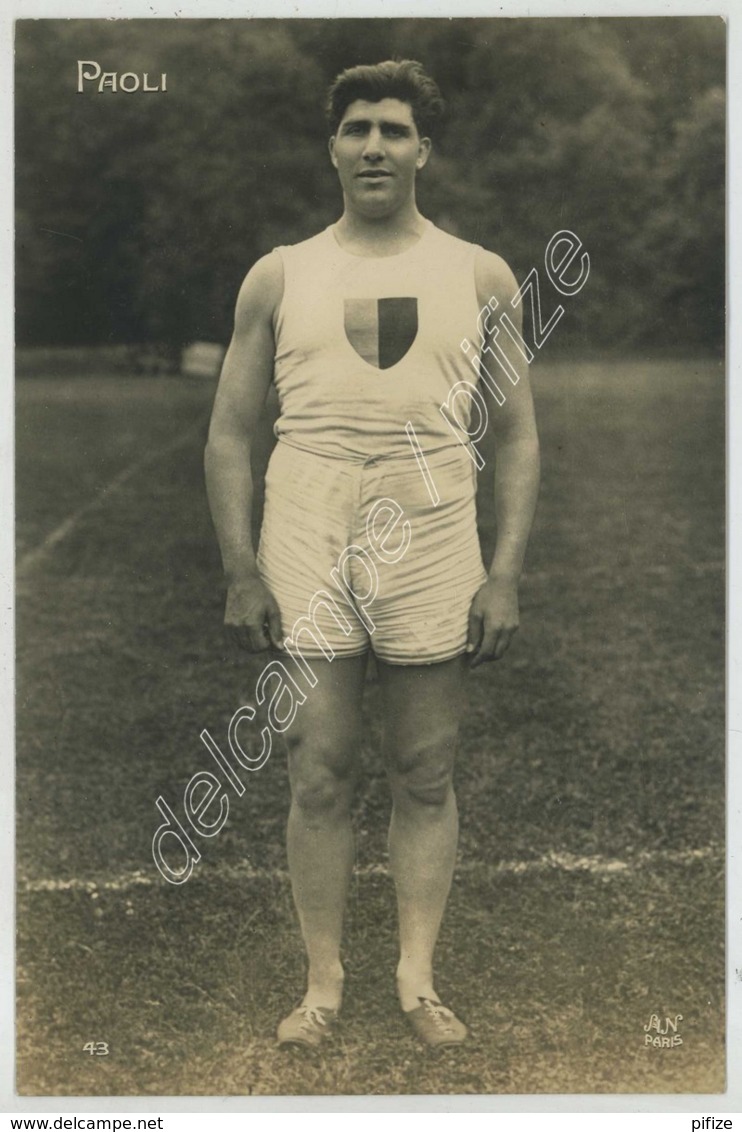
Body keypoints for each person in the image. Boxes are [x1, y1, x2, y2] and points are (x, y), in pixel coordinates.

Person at [204, 59, 540, 1050]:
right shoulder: (280, 272)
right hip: (307, 515)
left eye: (394, 129)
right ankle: (321, 987)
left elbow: (516, 435)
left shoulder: (479, 273)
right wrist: (239, 565)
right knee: (318, 765)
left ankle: (416, 980)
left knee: (425, 767)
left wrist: (505, 570)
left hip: (434, 525)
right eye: (356, 129)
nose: (374, 146)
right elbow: (229, 431)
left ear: (423, 149)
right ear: (333, 146)